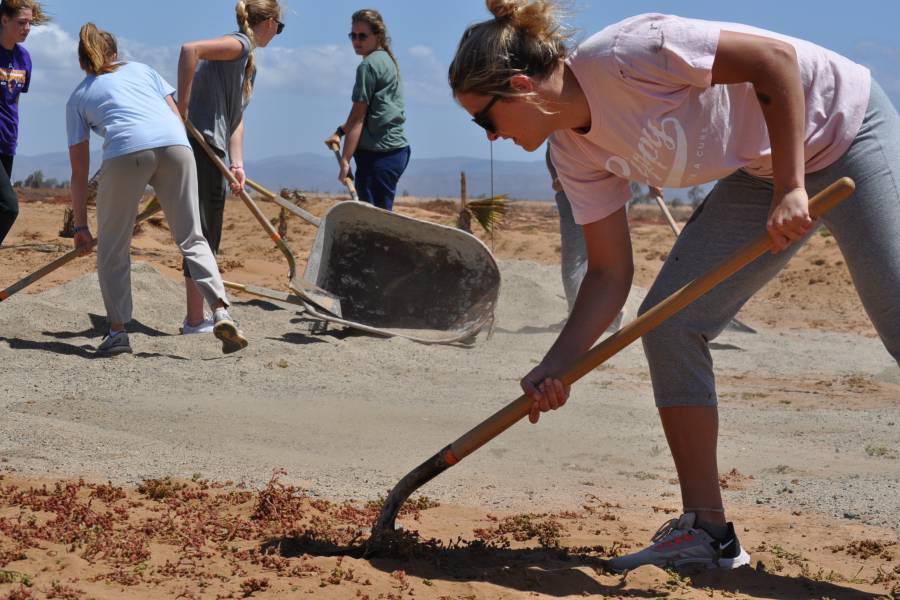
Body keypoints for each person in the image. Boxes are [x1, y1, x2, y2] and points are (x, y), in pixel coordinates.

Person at [449, 0, 900, 571]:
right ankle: (708, 532)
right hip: (765, 172)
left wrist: (792, 185)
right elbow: (611, 274)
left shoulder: (628, 53)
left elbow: (776, 61)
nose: (489, 137)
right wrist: (555, 365)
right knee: (671, 323)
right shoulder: (573, 152)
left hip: (845, 125)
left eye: (485, 119)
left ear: (519, 86)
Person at [66, 23, 248, 356]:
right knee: (192, 237)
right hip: (178, 146)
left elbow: (79, 173)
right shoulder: (143, 70)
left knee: (113, 247)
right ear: (116, 55)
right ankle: (221, 310)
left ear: (82, 62)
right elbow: (176, 115)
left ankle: (118, 332)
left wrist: (80, 226)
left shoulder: (79, 96)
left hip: (125, 152)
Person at [176, 0, 282, 334]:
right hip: (201, 143)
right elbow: (189, 50)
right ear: (268, 23)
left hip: (216, 148)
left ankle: (197, 317)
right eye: (280, 27)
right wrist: (182, 108)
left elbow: (236, 119)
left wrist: (238, 163)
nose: (277, 34)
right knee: (203, 232)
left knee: (206, 232)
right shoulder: (239, 44)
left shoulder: (247, 61)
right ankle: (195, 319)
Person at [325, 9, 410, 211]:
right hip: (395, 153)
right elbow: (363, 113)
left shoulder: (368, 67)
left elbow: (359, 117)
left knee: (375, 222)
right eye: (352, 36)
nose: (356, 41)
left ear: (377, 36)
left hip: (379, 155)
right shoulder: (386, 60)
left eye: (362, 36)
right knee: (378, 216)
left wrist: (345, 160)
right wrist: (340, 132)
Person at [0, 0, 45, 246]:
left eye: (30, 23)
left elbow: (14, 100)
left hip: (7, 142)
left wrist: (13, 134)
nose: (27, 28)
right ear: (4, 20)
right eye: (21, 22)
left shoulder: (23, 58)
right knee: (9, 206)